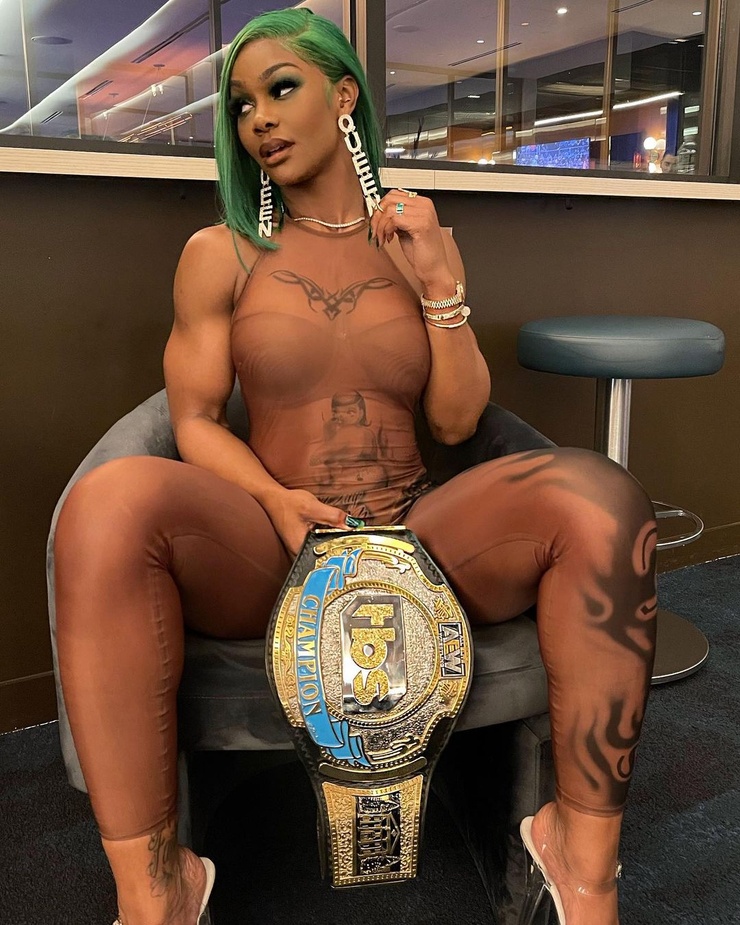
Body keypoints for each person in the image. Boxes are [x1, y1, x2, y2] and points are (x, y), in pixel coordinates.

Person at [54, 9, 657, 925]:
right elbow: (195, 422)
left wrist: (440, 284)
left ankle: (582, 861)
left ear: (344, 96)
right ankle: (158, 894)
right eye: (241, 104)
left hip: (416, 533)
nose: (258, 117)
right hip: (272, 544)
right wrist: (272, 497)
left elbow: (456, 420)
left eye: (280, 88)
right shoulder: (220, 254)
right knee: (106, 503)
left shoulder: (414, 240)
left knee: (602, 495)